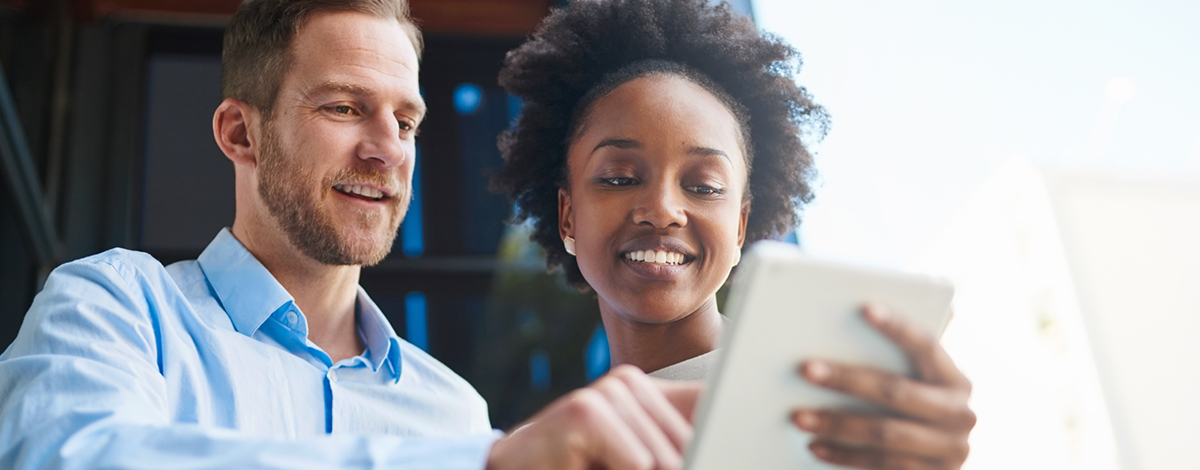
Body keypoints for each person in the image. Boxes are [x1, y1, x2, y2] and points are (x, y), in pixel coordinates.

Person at [0, 1, 700, 469]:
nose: (388, 150)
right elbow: (68, 456)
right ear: (240, 132)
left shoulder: (453, 411)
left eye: (406, 121)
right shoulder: (115, 306)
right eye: (345, 107)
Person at [492, 0, 976, 467]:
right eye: (619, 177)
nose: (663, 210)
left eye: (703, 186)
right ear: (568, 215)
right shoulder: (543, 448)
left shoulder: (828, 408)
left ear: (741, 225)